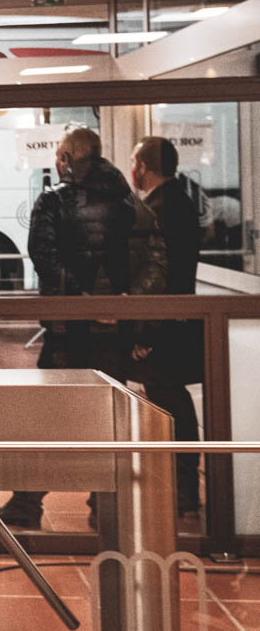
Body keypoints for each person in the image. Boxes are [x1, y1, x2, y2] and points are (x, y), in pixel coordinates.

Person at [0, 126, 136, 529]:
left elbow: (43, 256)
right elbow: (144, 255)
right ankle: (105, 507)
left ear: (66, 160)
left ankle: (27, 504)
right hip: (116, 328)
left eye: (59, 156)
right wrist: (121, 304)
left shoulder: (54, 201)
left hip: (67, 331)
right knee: (111, 418)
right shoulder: (127, 201)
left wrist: (82, 301)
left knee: (48, 416)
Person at [128, 136, 203, 514]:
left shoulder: (157, 209)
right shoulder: (181, 201)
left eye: (134, 162)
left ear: (143, 167)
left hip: (165, 325)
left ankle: (182, 489)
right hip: (176, 321)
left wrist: (145, 332)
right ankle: (181, 487)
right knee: (171, 401)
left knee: (168, 402)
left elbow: (158, 275)